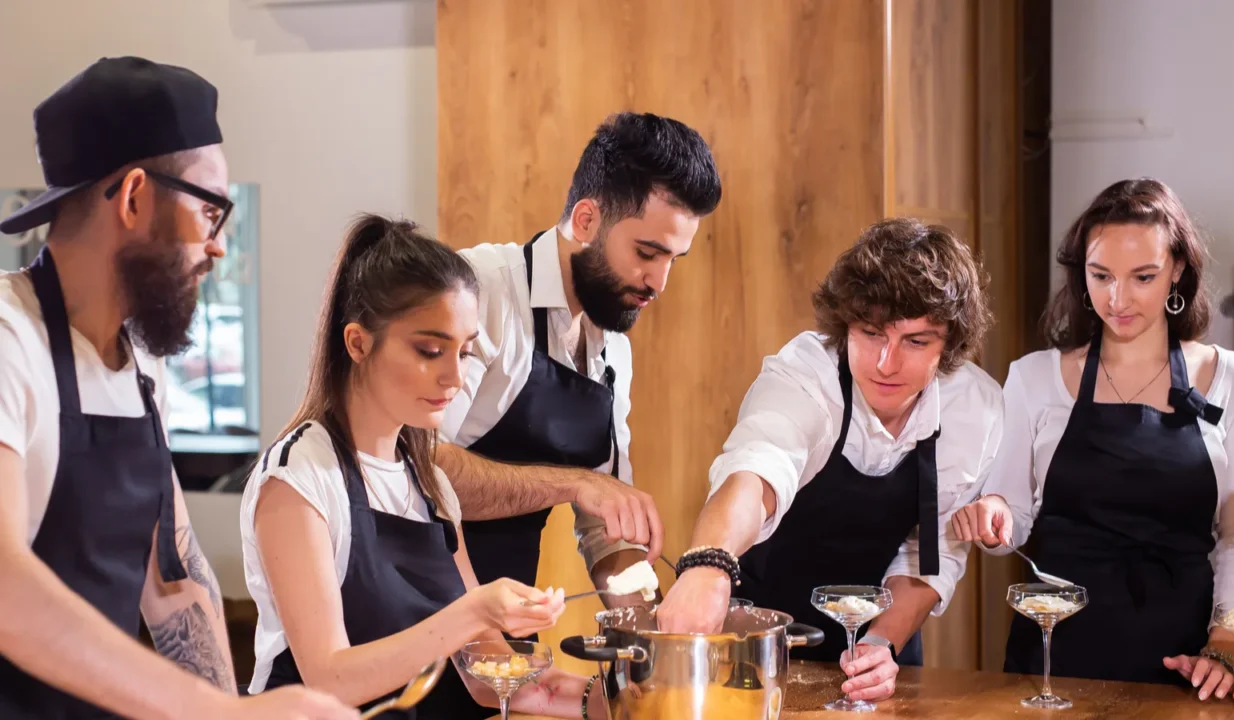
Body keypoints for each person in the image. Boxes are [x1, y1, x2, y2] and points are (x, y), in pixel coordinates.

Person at [0, 57, 353, 719]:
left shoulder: (139, 366)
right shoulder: (8, 341)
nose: (218, 247)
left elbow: (173, 583)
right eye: (210, 209)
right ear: (135, 198)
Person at [241, 214, 611, 719]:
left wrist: (623, 698)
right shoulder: (298, 478)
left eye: (463, 352)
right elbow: (331, 679)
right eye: (431, 351)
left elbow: (492, 680)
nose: (454, 377)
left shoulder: (431, 486)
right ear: (358, 343)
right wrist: (474, 611)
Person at [657, 219, 1004, 705]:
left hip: (874, 645)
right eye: (871, 332)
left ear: (951, 344)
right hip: (758, 639)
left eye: (916, 341)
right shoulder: (807, 374)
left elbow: (930, 554)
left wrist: (880, 647)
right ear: (845, 323)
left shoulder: (975, 409)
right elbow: (758, 469)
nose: (887, 362)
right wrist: (708, 565)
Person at [952, 178, 1234, 700]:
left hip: (1184, 661)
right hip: (1052, 660)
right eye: (1101, 276)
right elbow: (1011, 514)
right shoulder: (1033, 378)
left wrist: (1225, 646)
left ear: (1178, 271)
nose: (1117, 299)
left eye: (1142, 277)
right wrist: (993, 516)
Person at [439, 112, 722, 602]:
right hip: (416, 618)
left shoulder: (613, 352)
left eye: (673, 260)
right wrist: (571, 484)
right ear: (586, 219)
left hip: (505, 635)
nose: (659, 283)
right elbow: (419, 472)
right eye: (647, 253)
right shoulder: (479, 292)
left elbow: (605, 531)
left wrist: (652, 638)